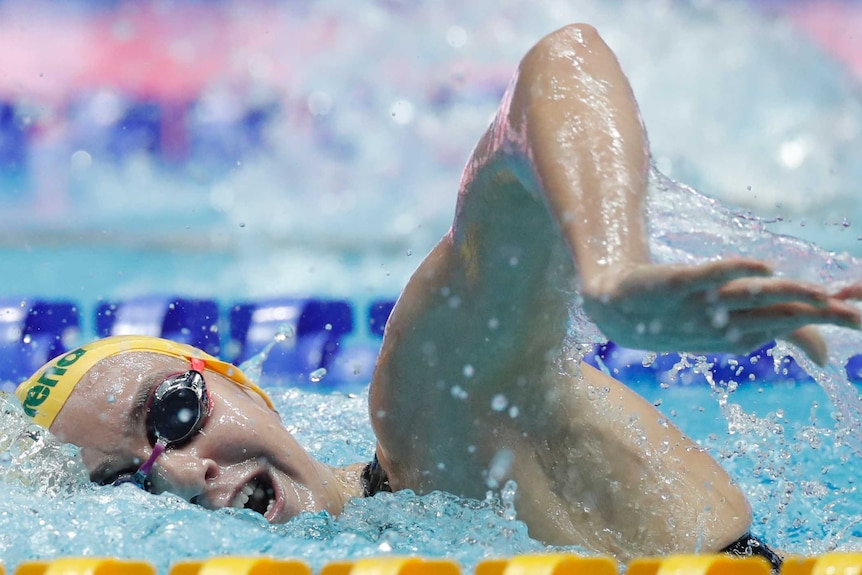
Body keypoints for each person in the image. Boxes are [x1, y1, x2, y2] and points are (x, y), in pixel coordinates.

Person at [14, 23, 861, 569]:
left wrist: (611, 270)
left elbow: (558, 69)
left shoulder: (432, 419)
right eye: (127, 484)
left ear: (234, 378)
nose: (187, 475)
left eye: (172, 415)